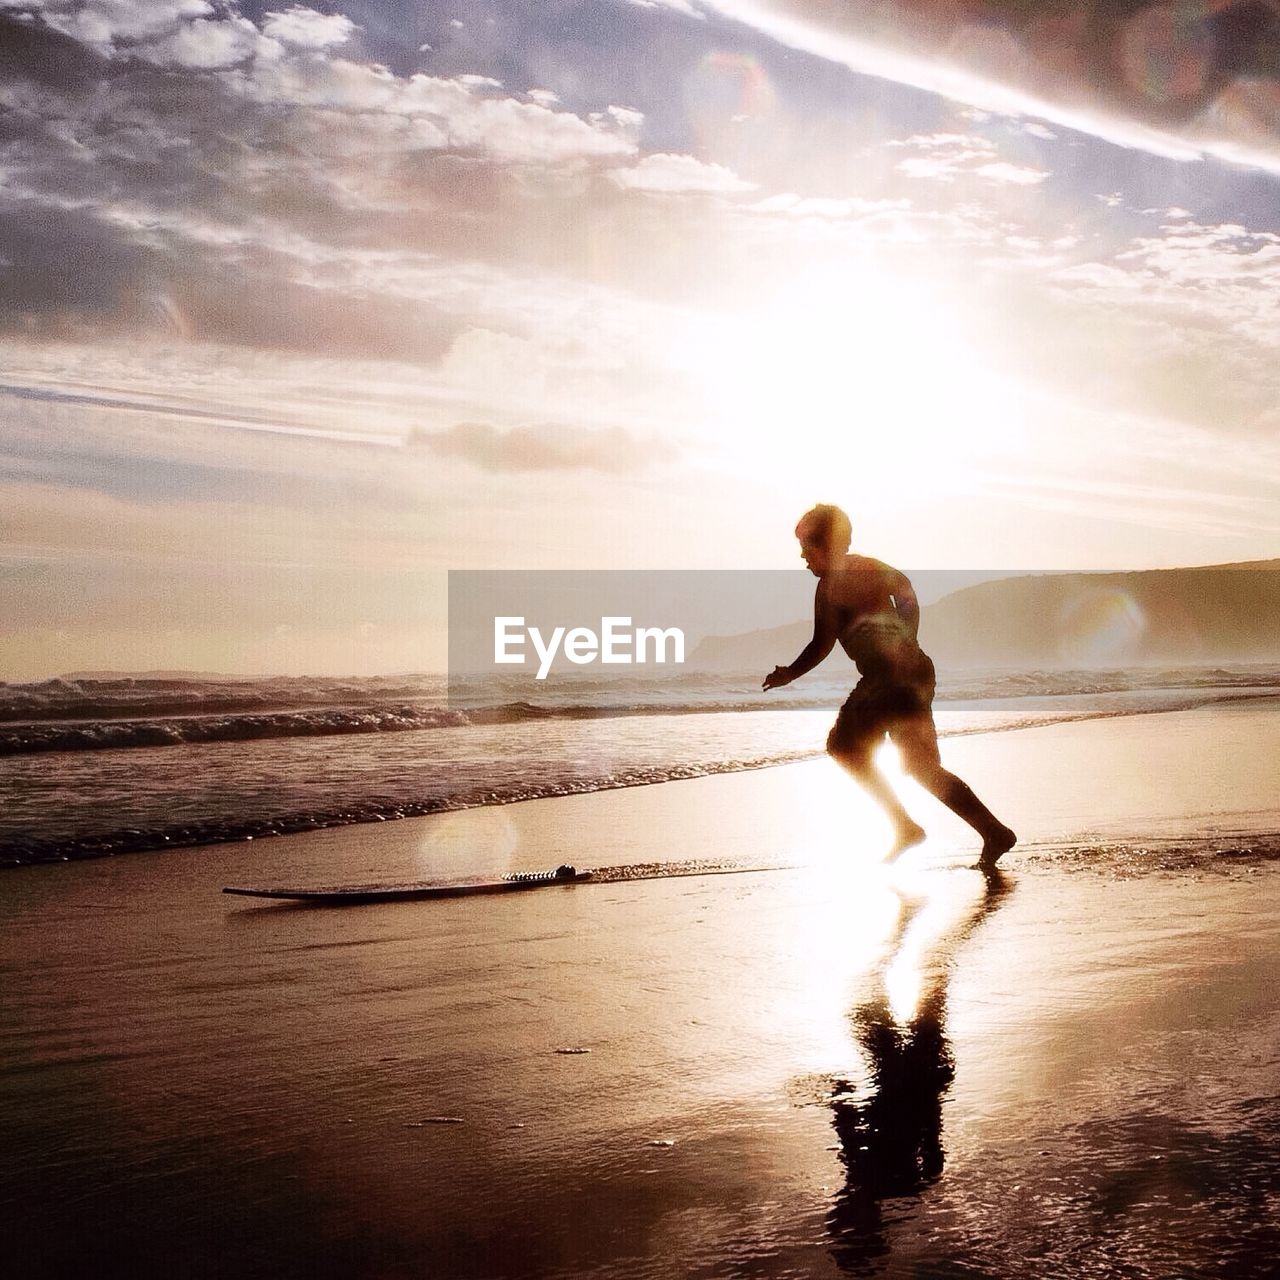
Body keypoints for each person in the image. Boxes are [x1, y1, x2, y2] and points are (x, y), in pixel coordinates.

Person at [763, 503, 1016, 866]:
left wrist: (790, 673)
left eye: (807, 547)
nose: (803, 557)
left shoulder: (832, 584)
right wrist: (909, 637)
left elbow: (822, 644)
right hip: (915, 674)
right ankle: (993, 832)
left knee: (842, 746)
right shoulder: (866, 568)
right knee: (922, 768)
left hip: (887, 682)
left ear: (829, 545)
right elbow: (905, 590)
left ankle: (904, 826)